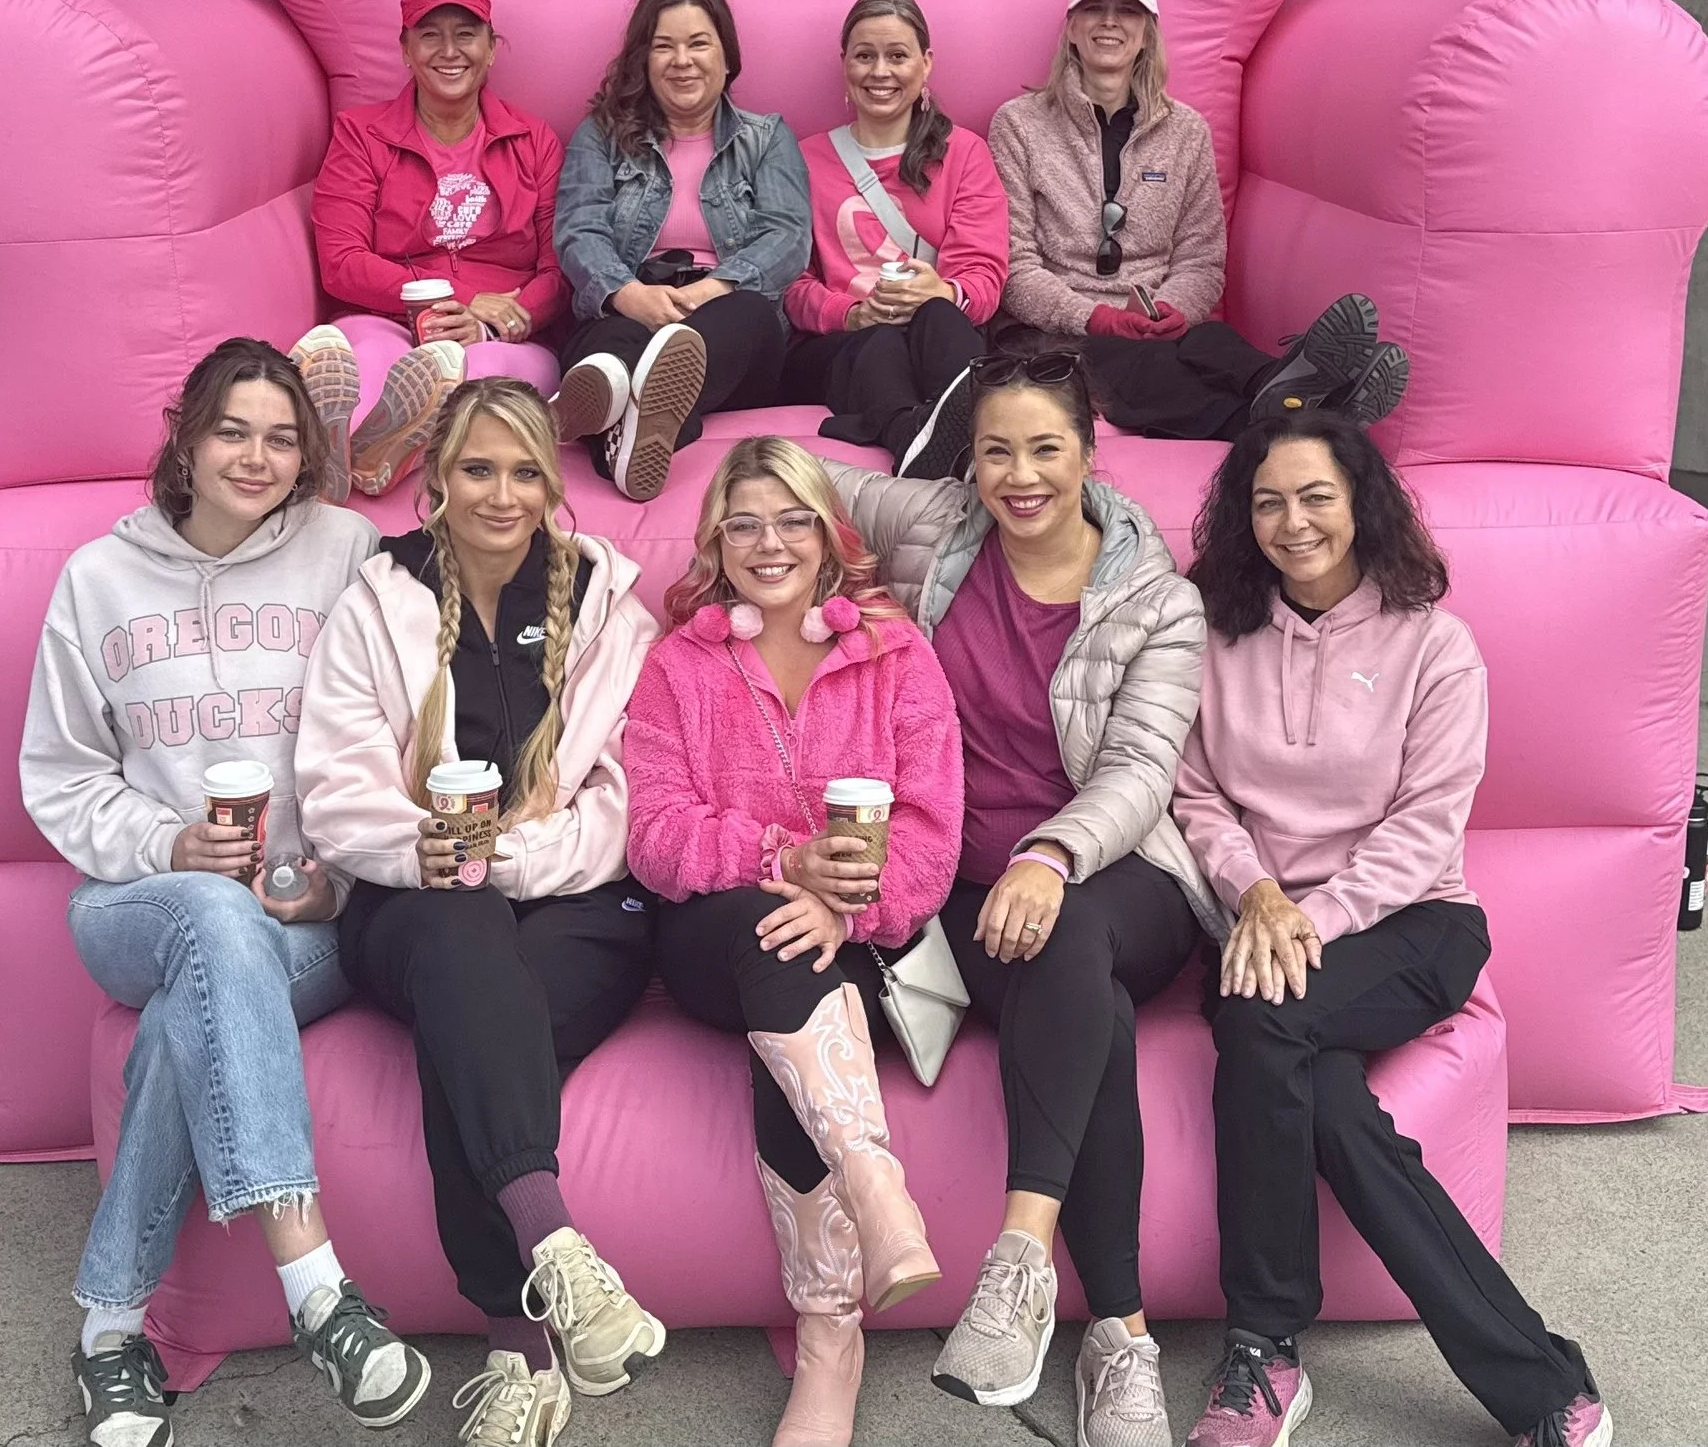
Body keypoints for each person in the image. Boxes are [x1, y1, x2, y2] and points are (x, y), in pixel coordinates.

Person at [20, 338, 431, 1447]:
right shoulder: (96, 581)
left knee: (181, 1024)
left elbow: (399, 725)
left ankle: (110, 1332)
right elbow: (59, 779)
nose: (256, 456)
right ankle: (315, 1287)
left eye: (283, 438)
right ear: (186, 441)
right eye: (233, 431)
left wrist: (334, 877)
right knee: (206, 918)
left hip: (310, 920)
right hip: (137, 903)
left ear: (310, 459)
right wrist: (169, 842)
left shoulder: (346, 550)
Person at [1175, 412, 1611, 1447]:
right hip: (1260, 921)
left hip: (1411, 924)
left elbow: (1426, 829)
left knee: (1259, 1017)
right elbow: (1191, 796)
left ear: (1360, 503)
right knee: (1328, 1104)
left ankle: (1265, 1347)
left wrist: (1307, 917)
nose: (1292, 523)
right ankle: (1543, 1384)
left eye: (1316, 497)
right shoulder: (1208, 631)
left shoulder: (1435, 645)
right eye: (1268, 501)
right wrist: (1257, 896)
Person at [823, 352, 1218, 1447]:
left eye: (1046, 448)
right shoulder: (934, 529)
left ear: (1090, 454)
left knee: (1073, 936)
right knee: (1079, 1006)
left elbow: (1139, 772)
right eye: (996, 450)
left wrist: (1050, 856)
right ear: (969, 463)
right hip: (964, 887)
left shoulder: (1156, 598)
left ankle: (1017, 1259)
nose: (1020, 474)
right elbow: (805, 483)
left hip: (1115, 876)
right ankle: (1122, 1340)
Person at [296, 378, 665, 1447]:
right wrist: (428, 848)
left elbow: (632, 788)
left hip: (576, 900)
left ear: (551, 486)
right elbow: (334, 789)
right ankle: (557, 1259)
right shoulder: (379, 598)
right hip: (414, 900)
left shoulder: (603, 599)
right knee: (460, 940)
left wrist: (515, 856)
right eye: (476, 469)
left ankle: (519, 1343)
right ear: (435, 486)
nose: (500, 494)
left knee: (476, 1030)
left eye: (522, 472)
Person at [622, 436, 962, 1447]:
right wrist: (785, 858)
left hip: (853, 939)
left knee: (800, 953)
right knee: (771, 936)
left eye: (791, 520)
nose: (768, 543)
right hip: (707, 938)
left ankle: (828, 1342)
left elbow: (932, 836)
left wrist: (846, 905)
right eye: (744, 523)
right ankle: (871, 1179)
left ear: (829, 537)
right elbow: (653, 832)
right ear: (716, 543)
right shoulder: (680, 662)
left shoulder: (895, 654)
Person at [987, 0, 1408, 437]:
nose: (1109, 22)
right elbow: (1013, 266)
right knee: (1133, 365)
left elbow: (1202, 258)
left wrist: (1175, 309)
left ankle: (1287, 387)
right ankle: (1318, 417)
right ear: (1072, 28)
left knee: (1211, 342)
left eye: (1126, 11)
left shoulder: (1185, 130)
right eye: (1094, 9)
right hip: (1061, 332)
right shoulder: (1019, 124)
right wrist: (1096, 316)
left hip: (1159, 322)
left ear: (1147, 32)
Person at [309, 0, 569, 499]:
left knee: (485, 374)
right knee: (366, 360)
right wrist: (461, 300)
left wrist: (491, 324)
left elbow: (560, 270)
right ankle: (338, 445)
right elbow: (340, 261)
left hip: (503, 335)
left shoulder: (534, 140)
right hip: (390, 317)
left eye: (465, 34)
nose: (449, 51)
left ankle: (382, 456)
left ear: (492, 47)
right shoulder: (361, 136)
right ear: (406, 50)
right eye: (430, 35)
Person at [551, 0, 811, 502]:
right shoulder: (600, 134)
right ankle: (637, 423)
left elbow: (787, 237)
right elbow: (579, 230)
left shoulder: (766, 138)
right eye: (664, 46)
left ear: (727, 56)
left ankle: (630, 404)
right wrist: (629, 295)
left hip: (729, 320)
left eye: (698, 43)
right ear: (643, 60)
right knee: (612, 344)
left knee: (749, 315)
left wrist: (711, 290)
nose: (682, 60)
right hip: (632, 302)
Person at [782, 0, 1008, 479]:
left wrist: (946, 291)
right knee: (880, 343)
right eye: (865, 56)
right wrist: (854, 313)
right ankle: (915, 444)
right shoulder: (803, 159)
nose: (880, 72)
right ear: (845, 65)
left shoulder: (965, 153)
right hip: (839, 344)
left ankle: (987, 440)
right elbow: (789, 284)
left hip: (934, 335)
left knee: (942, 319)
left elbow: (985, 277)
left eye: (897, 56)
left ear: (925, 64)